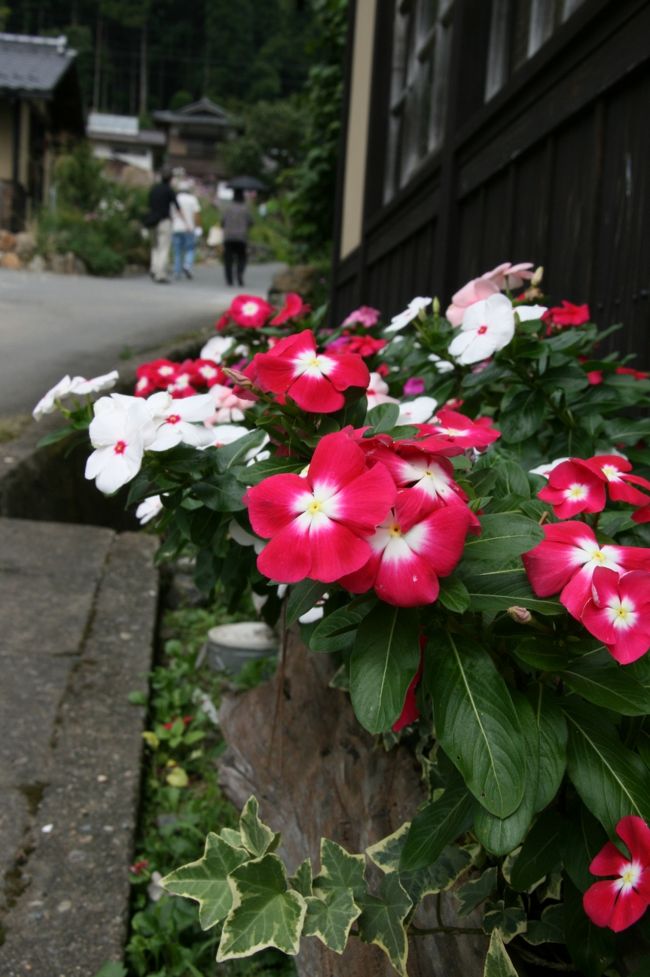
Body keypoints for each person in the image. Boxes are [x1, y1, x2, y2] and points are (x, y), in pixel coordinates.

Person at [147, 166, 177, 283]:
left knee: (154, 246)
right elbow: (176, 206)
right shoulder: (169, 190)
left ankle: (153, 268)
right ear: (170, 178)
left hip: (152, 220)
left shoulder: (154, 189)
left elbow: (149, 204)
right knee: (163, 247)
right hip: (164, 220)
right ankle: (160, 273)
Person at [221, 188, 253, 287]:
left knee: (228, 259)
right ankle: (239, 274)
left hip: (228, 237)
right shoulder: (245, 209)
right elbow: (251, 222)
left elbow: (222, 222)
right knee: (242, 258)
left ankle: (229, 280)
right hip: (241, 237)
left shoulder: (228, 208)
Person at [171, 178, 201, 280]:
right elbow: (196, 214)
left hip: (176, 228)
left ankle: (176, 271)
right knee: (190, 249)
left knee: (177, 251)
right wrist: (197, 227)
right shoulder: (192, 199)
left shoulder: (175, 198)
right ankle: (187, 265)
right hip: (189, 228)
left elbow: (171, 214)